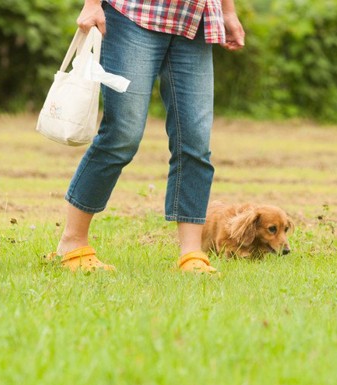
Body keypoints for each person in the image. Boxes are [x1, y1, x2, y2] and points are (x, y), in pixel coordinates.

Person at [54, 0, 245, 273]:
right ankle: (72, 242)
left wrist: (227, 11)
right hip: (133, 13)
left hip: (195, 18)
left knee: (195, 141)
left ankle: (191, 253)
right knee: (122, 134)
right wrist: (92, 4)